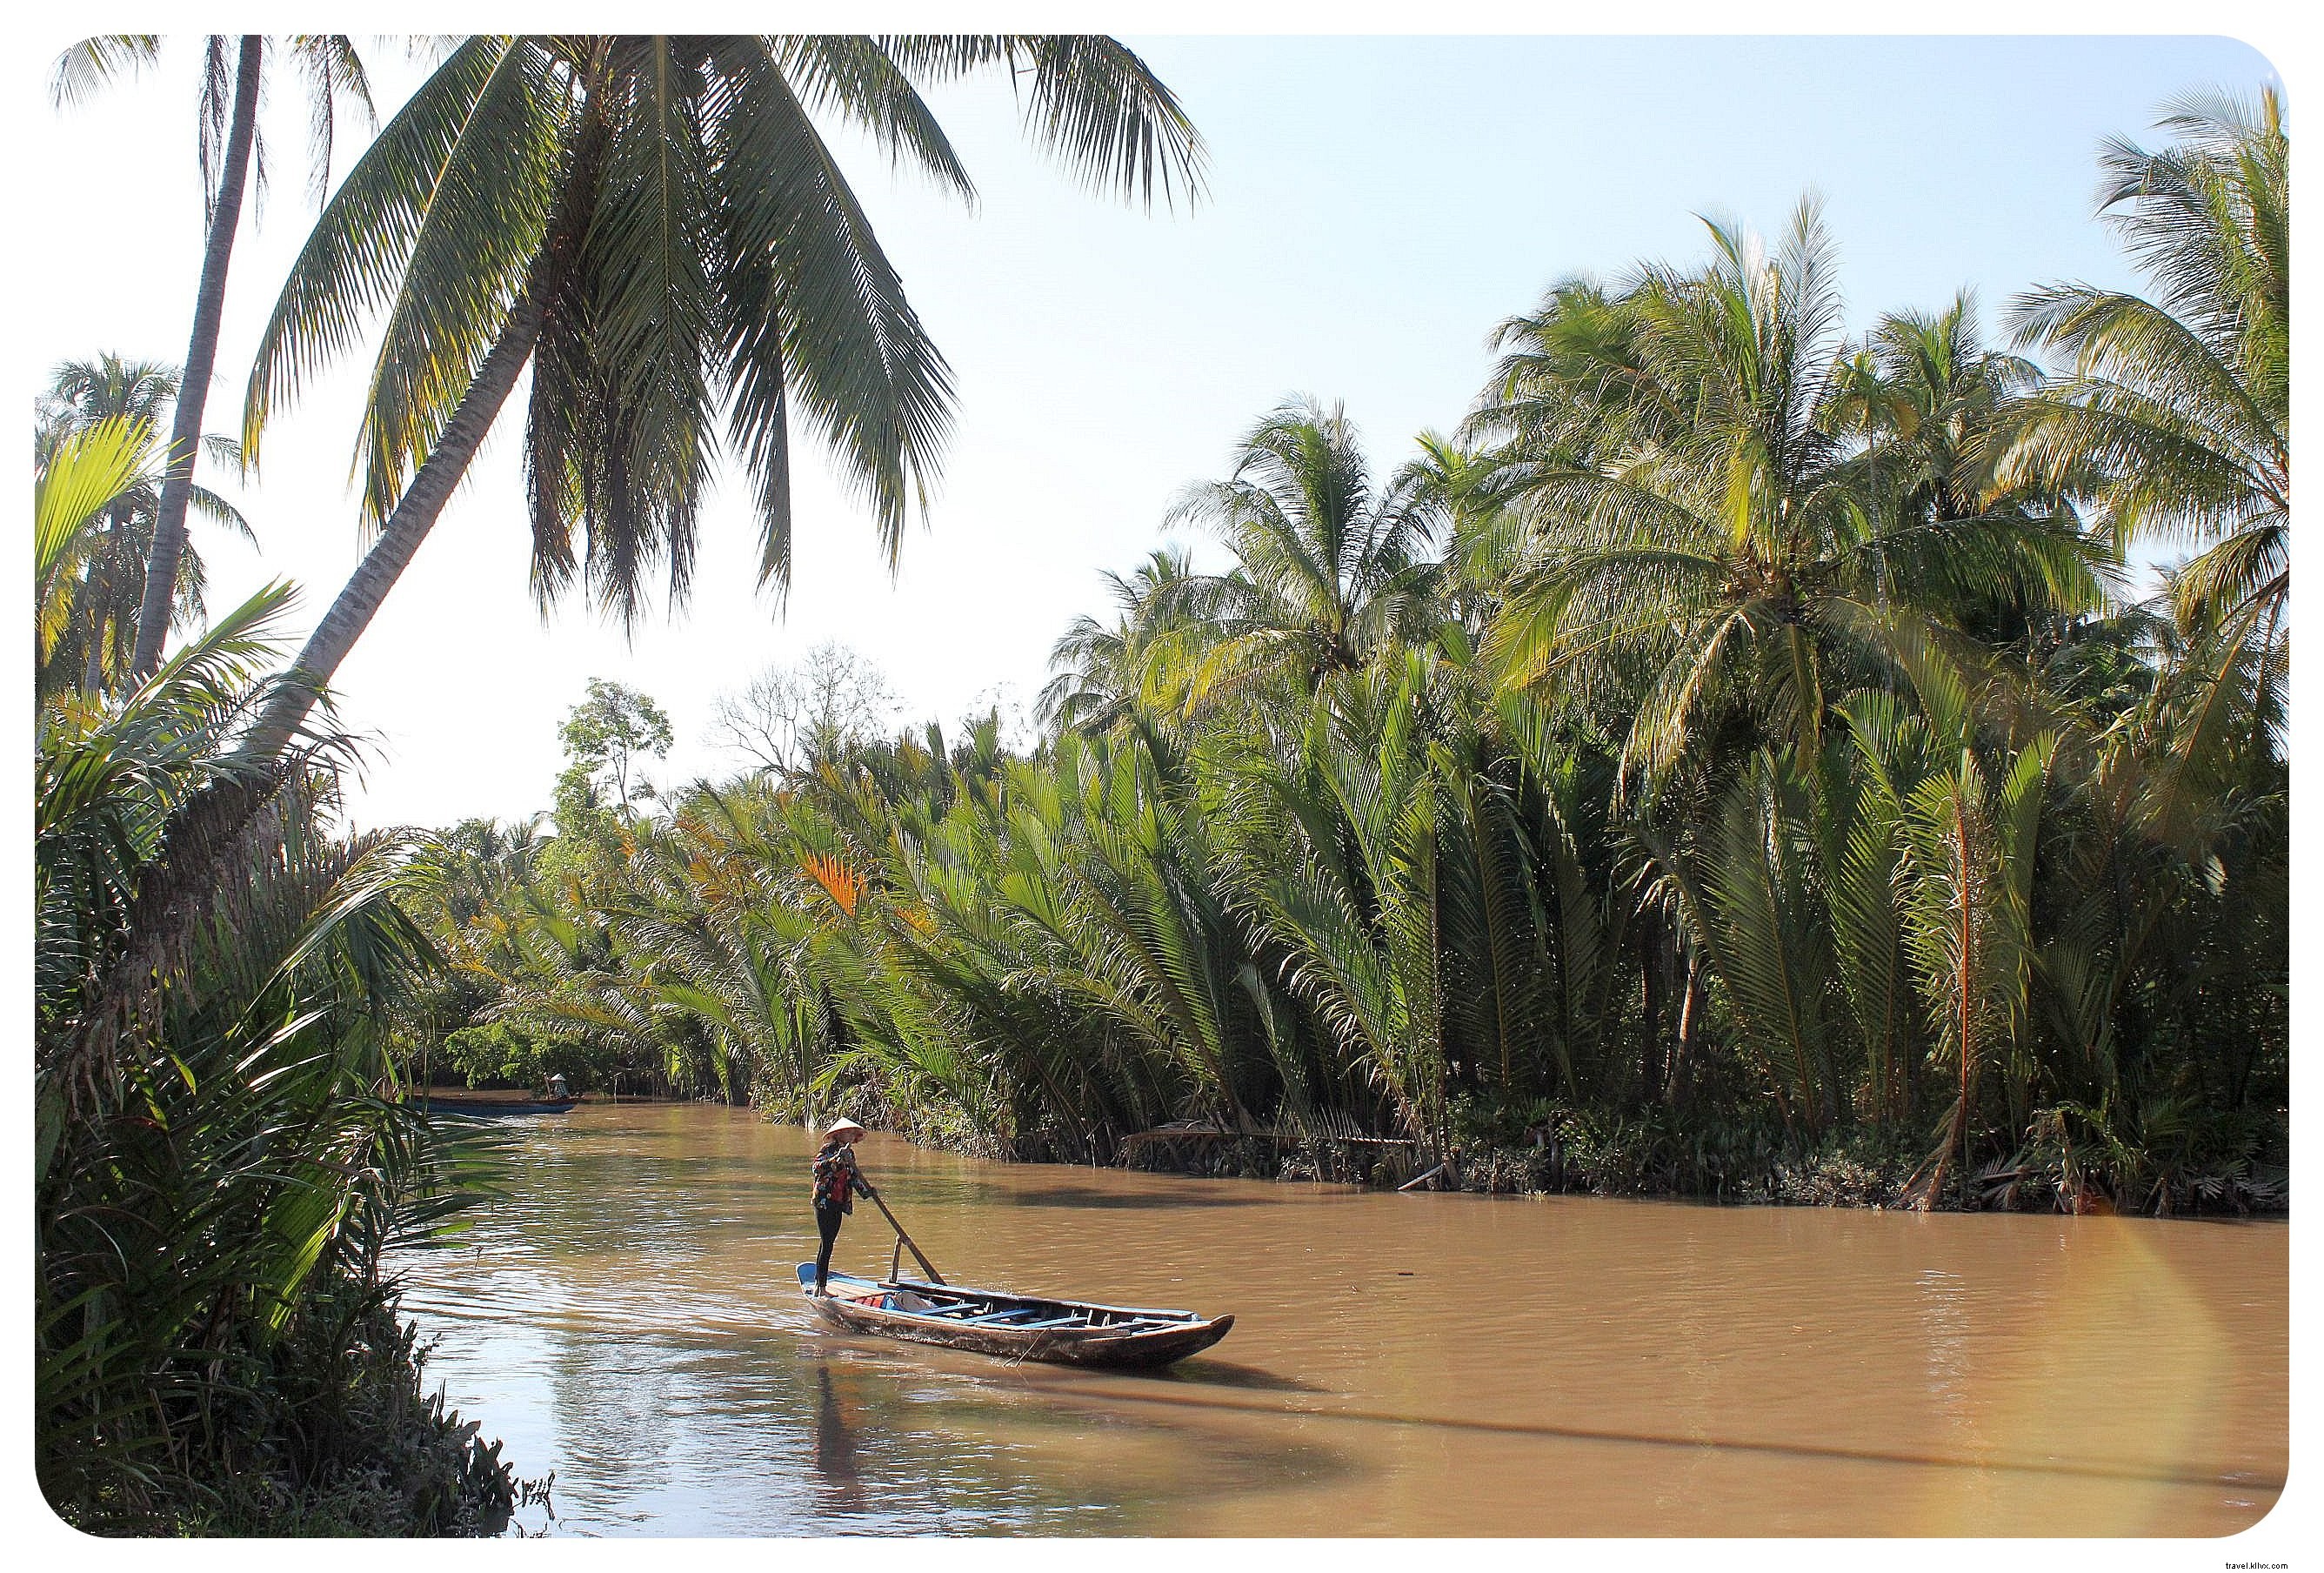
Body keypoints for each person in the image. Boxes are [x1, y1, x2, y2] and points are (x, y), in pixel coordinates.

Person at [810, 1118, 878, 1294]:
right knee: (826, 1244)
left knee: (830, 1243)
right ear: (839, 1134)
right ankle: (821, 1287)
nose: (851, 1135)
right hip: (824, 1202)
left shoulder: (851, 1155)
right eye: (848, 1132)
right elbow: (816, 1168)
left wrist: (868, 1192)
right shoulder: (828, 1150)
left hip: (839, 1203)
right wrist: (837, 1159)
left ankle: (820, 1283)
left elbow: (854, 1178)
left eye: (852, 1133)